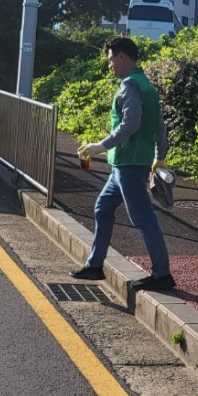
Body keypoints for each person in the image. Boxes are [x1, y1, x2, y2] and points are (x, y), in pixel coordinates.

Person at [71, 37, 175, 292]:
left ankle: (162, 274)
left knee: (142, 218)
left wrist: (100, 146)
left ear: (121, 57)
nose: (109, 66)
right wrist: (159, 156)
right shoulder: (146, 85)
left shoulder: (129, 86)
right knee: (102, 208)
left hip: (128, 163)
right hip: (125, 165)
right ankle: (95, 265)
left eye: (110, 60)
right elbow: (160, 126)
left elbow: (131, 123)